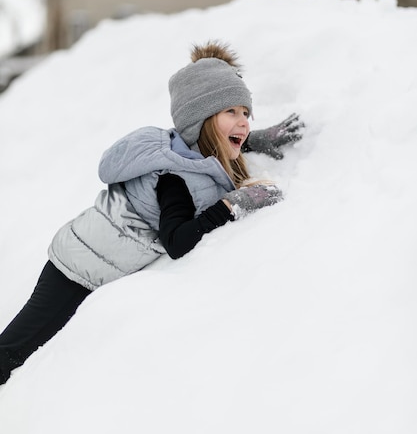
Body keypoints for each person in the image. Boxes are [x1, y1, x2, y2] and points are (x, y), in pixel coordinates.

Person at [0, 41, 303, 385]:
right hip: (74, 271)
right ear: (202, 119)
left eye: (246, 113)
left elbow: (207, 145)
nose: (243, 121)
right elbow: (176, 240)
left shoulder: (188, 152)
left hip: (93, 259)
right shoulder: (173, 179)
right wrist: (231, 206)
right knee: (13, 351)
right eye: (231, 112)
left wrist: (255, 139)